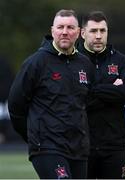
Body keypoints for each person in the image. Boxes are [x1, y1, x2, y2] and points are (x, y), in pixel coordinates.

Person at [8, 9, 95, 179]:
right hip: (47, 147)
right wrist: (34, 136)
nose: (64, 32)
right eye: (60, 27)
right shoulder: (36, 63)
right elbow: (15, 106)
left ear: (78, 33)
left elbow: (88, 104)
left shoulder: (85, 64)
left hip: (78, 149)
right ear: (52, 30)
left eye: (70, 27)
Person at [78, 11, 125, 179]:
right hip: (82, 145)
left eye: (102, 31)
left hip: (114, 146)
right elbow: (78, 100)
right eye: (93, 31)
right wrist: (112, 90)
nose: (98, 36)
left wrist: (92, 90)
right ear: (83, 33)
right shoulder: (73, 61)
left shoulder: (121, 61)